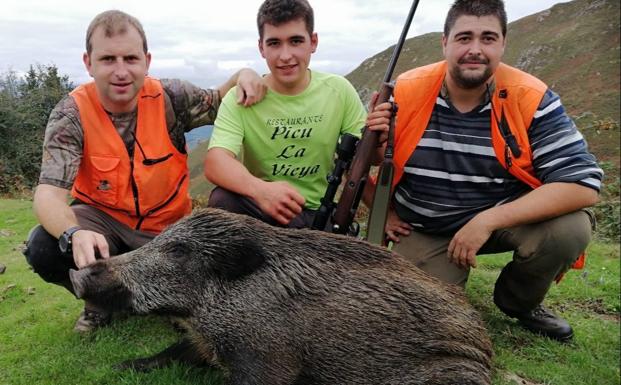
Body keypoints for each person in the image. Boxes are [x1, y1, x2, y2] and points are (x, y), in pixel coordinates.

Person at [366, 0, 602, 342]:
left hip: (502, 222)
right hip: (425, 226)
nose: (475, 50)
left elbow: (582, 184)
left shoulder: (532, 97)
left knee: (570, 229)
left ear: (503, 44)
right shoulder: (406, 89)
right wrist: (384, 208)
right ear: (444, 43)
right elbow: (370, 164)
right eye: (464, 38)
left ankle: (518, 302)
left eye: (488, 38)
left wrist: (486, 221)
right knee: (415, 314)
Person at [22, 9, 267, 333]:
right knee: (42, 247)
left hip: (167, 228)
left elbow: (221, 98)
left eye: (131, 59)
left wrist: (245, 73)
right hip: (102, 222)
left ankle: (169, 300)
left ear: (147, 60)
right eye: (108, 59)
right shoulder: (71, 114)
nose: (121, 71)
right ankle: (100, 300)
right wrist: (74, 233)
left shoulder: (172, 97)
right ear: (88, 62)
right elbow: (48, 195)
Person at [204, 0, 370, 229]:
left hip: (317, 213)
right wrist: (261, 190)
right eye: (274, 43)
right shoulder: (241, 96)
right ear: (261, 47)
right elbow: (216, 162)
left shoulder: (339, 91)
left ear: (313, 42)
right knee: (222, 201)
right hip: (262, 211)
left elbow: (363, 160)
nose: (285, 55)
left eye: (295, 41)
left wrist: (387, 213)